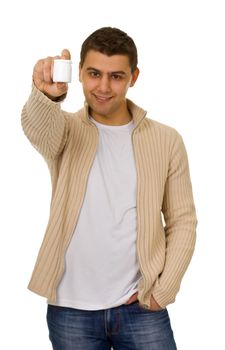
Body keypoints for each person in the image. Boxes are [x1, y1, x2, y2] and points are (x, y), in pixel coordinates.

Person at [21, 27, 197, 350]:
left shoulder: (166, 140)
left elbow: (183, 221)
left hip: (141, 308)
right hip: (71, 310)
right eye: (94, 74)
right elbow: (38, 129)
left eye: (116, 76)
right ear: (80, 74)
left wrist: (163, 290)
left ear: (134, 76)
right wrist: (46, 96)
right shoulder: (67, 130)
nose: (103, 87)